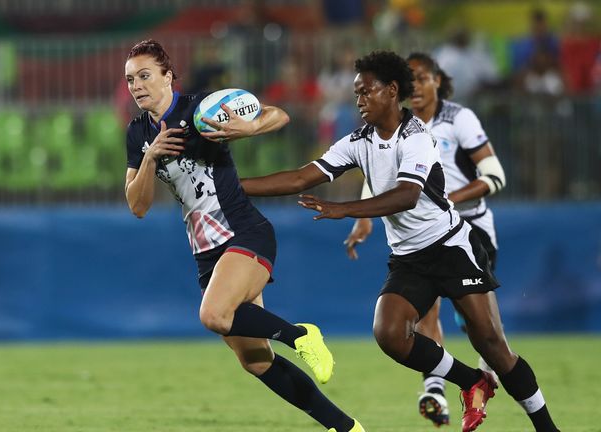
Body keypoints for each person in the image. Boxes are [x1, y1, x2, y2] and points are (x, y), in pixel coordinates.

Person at [241, 50, 560, 432]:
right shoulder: (358, 141)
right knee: (389, 335)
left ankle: (546, 427)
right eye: (356, 94)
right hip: (409, 258)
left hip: (451, 248)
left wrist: (346, 210)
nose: (359, 101)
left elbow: (408, 195)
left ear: (392, 91)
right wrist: (232, 187)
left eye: (366, 92)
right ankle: (471, 382)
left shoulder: (418, 137)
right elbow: (299, 178)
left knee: (492, 345)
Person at [123, 39, 363, 432]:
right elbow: (137, 204)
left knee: (214, 314)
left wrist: (250, 126)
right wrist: (150, 156)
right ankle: (346, 427)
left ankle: (301, 334)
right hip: (205, 251)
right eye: (131, 79)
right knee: (255, 360)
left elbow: (278, 115)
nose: (137, 86)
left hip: (243, 231)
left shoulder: (200, 110)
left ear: (168, 76)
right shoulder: (138, 134)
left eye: (145, 76)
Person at [345, 52, 507, 427]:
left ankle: (490, 369)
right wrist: (365, 219)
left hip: (470, 227)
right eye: (410, 78)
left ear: (438, 80)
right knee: (422, 312)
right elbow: (383, 172)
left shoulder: (458, 118)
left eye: (423, 77)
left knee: (477, 327)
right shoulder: (392, 126)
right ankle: (436, 388)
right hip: (421, 233)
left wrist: (452, 199)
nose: (415, 86)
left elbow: (494, 173)